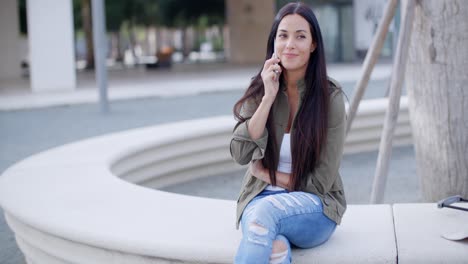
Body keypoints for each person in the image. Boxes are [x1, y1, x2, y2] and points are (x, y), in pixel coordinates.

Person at [230, 2, 347, 263]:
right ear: (274, 42)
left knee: (264, 217)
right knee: (275, 248)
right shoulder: (261, 88)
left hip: (316, 207)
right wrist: (268, 97)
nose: (290, 44)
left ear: (313, 44)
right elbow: (239, 153)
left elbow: (319, 184)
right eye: (283, 35)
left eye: (300, 36)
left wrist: (269, 174)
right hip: (260, 198)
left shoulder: (330, 97)